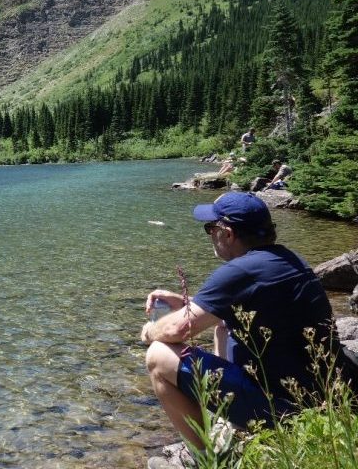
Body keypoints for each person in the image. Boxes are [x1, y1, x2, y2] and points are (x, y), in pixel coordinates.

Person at [140, 192, 339, 464]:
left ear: (228, 233)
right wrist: (187, 302)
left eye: (210, 228)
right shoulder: (287, 259)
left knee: (158, 356)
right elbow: (231, 310)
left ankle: (207, 459)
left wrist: (150, 330)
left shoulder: (241, 271)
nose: (209, 234)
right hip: (320, 398)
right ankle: (229, 421)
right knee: (222, 324)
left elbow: (174, 331)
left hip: (283, 410)